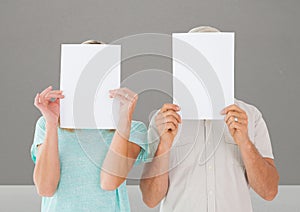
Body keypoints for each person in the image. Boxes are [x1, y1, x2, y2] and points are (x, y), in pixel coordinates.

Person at [140, 26, 279, 212]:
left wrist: (244, 142)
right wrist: (164, 145)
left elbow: (269, 191)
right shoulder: (164, 120)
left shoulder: (250, 116)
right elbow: (150, 199)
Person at [30, 40, 148, 211]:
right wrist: (50, 123)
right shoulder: (47, 126)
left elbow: (109, 182)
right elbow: (45, 189)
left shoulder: (133, 129)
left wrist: (123, 121)